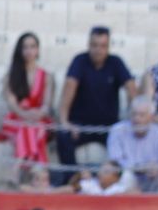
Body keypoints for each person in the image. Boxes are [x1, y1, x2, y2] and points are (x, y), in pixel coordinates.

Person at [56, 27, 138, 181]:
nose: (98, 50)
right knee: (63, 134)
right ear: (88, 44)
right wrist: (65, 121)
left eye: (102, 46)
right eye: (94, 45)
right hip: (80, 125)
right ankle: (72, 180)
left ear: (108, 47)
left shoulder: (116, 62)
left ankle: (119, 181)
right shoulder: (80, 60)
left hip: (108, 127)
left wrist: (133, 118)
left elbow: (131, 88)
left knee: (126, 135)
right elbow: (69, 87)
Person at [2, 32, 53, 169]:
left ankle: (17, 169)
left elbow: (46, 105)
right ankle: (40, 171)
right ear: (20, 50)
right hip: (16, 119)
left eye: (33, 46)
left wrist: (36, 115)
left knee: (33, 127)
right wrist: (26, 116)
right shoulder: (11, 76)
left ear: (38, 50)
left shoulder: (46, 76)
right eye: (25, 47)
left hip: (38, 119)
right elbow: (12, 104)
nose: (29, 51)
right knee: (29, 127)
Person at [107, 96, 158, 194]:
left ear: (151, 117)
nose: (137, 119)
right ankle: (125, 208)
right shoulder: (118, 130)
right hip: (131, 174)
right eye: (134, 114)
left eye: (141, 115)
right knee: (126, 176)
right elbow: (115, 160)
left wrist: (157, 168)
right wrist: (140, 168)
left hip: (154, 175)